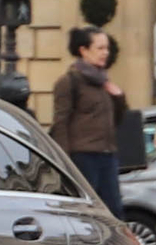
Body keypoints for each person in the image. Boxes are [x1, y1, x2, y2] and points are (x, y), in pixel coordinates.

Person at [50, 27, 129, 219]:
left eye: (107, 48)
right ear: (83, 50)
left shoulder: (103, 83)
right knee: (84, 211)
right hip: (83, 157)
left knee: (114, 211)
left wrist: (119, 98)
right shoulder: (69, 82)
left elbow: (117, 120)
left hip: (107, 154)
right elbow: (60, 123)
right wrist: (64, 162)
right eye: (100, 48)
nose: (105, 53)